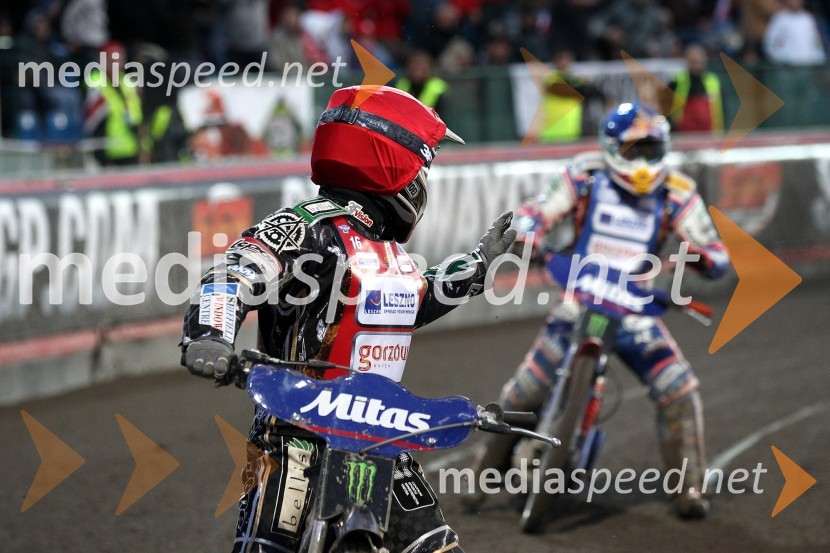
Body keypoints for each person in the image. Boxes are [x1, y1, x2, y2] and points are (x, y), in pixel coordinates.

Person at [180, 85, 516, 553]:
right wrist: (210, 336)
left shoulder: (386, 250)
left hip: (379, 435)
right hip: (294, 434)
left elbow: (409, 305)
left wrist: (477, 267)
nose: (424, 179)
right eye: (423, 165)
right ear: (393, 162)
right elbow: (232, 274)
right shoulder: (305, 225)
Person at [462, 102, 730, 519]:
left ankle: (690, 488)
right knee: (525, 390)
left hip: (634, 308)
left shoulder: (678, 192)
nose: (642, 164)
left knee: (680, 389)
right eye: (633, 151)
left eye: (650, 151)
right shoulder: (585, 174)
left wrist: (700, 257)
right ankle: (484, 470)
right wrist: (529, 234)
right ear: (611, 147)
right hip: (580, 298)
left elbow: (715, 252)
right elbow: (538, 210)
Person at [668, 44, 724, 133]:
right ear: (687, 61)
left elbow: (721, 108)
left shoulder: (713, 81)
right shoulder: (678, 80)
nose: (696, 65)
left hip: (709, 133)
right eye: (693, 61)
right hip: (683, 133)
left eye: (699, 61)